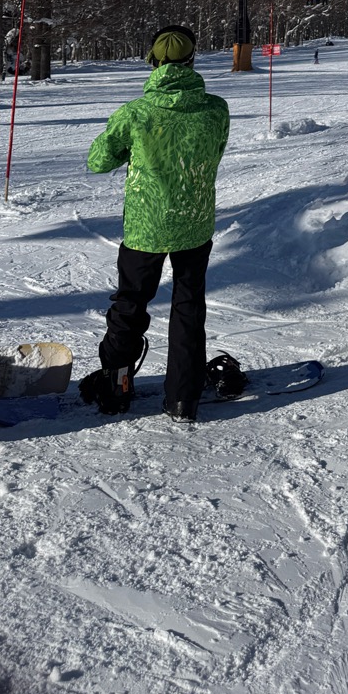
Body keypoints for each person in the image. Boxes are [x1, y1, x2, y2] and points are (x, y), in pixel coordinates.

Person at [80, 26, 230, 421]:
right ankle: (183, 399)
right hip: (195, 225)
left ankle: (116, 387)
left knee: (131, 303)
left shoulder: (136, 113)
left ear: (154, 63)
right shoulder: (216, 109)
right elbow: (214, 154)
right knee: (188, 306)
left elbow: (98, 160)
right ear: (192, 61)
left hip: (146, 227)